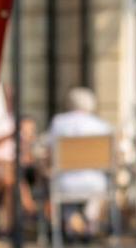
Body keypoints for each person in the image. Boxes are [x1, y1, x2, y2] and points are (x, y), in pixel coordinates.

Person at [45, 87, 112, 239]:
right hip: (96, 182)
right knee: (101, 186)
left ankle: (72, 222)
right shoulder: (101, 126)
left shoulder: (58, 122)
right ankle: (89, 222)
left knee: (56, 186)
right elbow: (111, 157)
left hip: (65, 181)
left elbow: (49, 153)